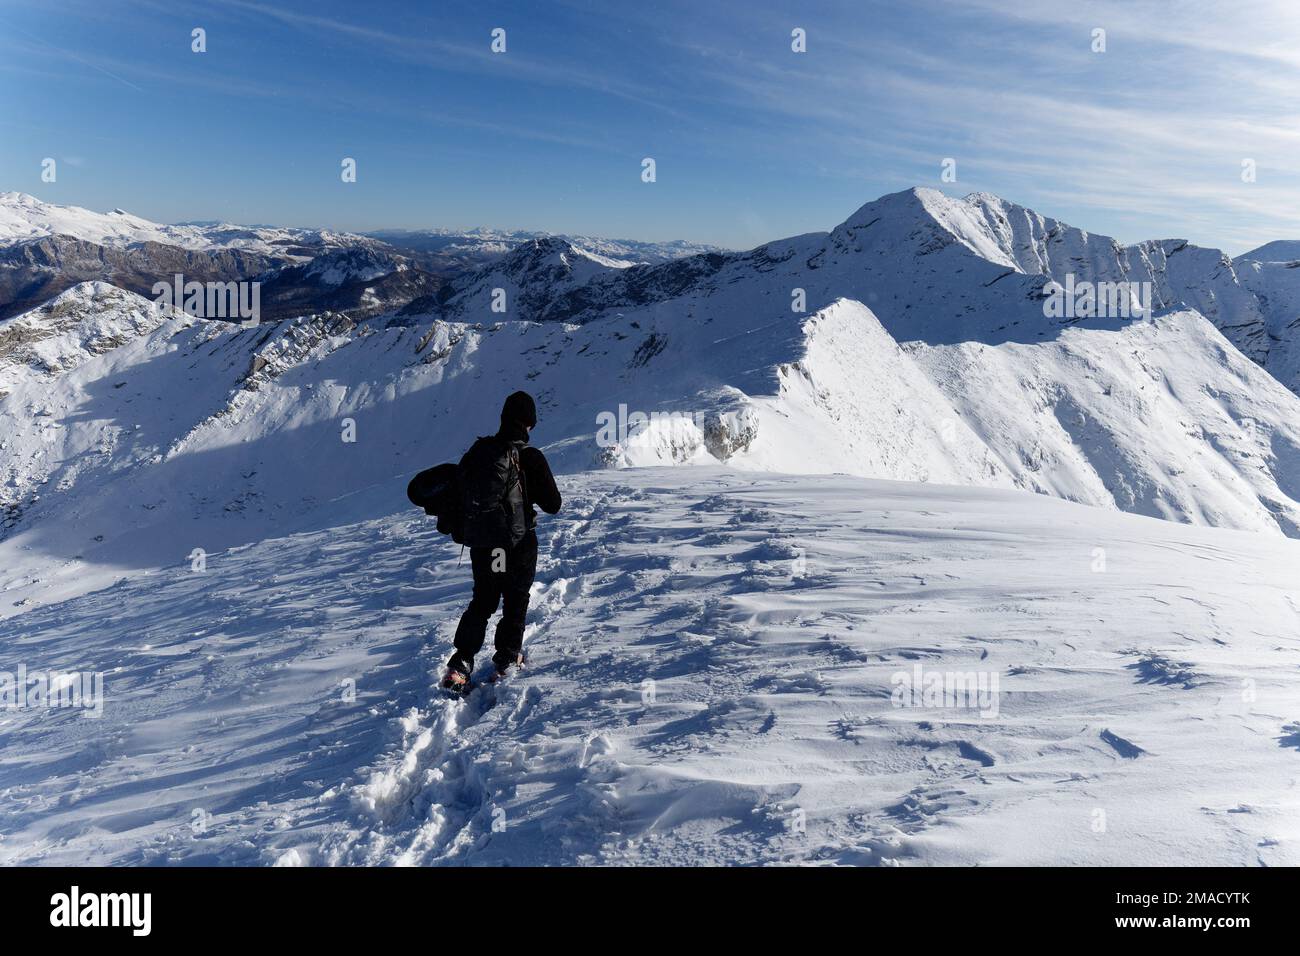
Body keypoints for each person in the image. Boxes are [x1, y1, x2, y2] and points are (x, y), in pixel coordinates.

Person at [442, 391, 561, 691]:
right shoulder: (530, 457)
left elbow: (458, 496)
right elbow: (553, 504)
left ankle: (461, 663)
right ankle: (507, 659)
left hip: (487, 546)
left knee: (483, 602)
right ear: (529, 424)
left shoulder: (478, 453)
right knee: (515, 600)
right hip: (519, 545)